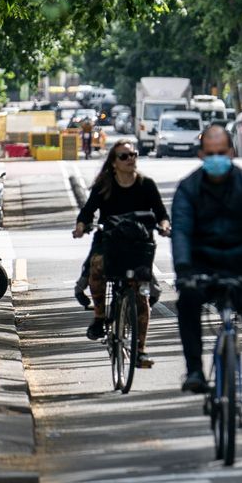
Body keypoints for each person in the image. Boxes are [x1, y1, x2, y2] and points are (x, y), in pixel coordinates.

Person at [171, 124, 242, 440]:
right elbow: (180, 230)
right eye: (210, 154)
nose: (216, 159)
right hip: (201, 268)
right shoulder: (188, 188)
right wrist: (183, 269)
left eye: (221, 153)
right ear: (200, 155)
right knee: (187, 303)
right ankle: (195, 370)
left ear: (232, 153)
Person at [72, 141, 170, 367]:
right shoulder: (104, 186)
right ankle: (99, 317)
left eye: (133, 154)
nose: (130, 159)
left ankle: (140, 351)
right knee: (97, 266)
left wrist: (164, 226)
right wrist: (81, 226)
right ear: (114, 162)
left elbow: (162, 213)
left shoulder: (146, 184)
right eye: (124, 156)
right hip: (109, 242)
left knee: (142, 296)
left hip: (138, 245)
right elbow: (87, 212)